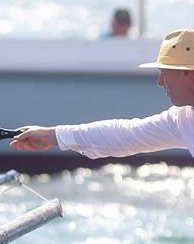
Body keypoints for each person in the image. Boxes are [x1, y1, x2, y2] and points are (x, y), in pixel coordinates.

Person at [12, 29, 193, 158]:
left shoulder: (183, 118)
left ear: (188, 74)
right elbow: (125, 135)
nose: (160, 82)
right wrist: (53, 135)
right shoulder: (183, 118)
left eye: (165, 73)